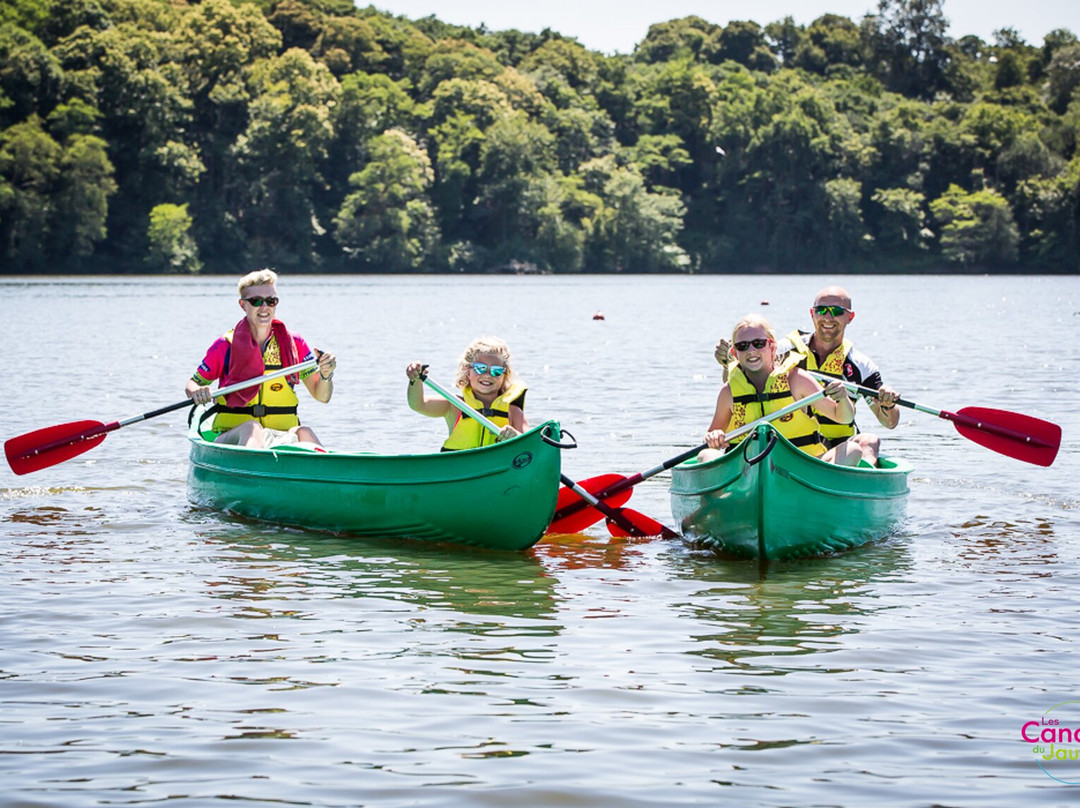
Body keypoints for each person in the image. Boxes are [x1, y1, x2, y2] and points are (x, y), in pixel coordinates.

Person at [715, 286, 900, 464]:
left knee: (870, 441)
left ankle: (861, 484)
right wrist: (727, 363)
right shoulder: (780, 349)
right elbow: (739, 386)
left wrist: (888, 404)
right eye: (821, 310)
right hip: (790, 445)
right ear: (812, 314)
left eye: (836, 311)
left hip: (836, 446)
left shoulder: (862, 366)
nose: (828, 317)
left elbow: (889, 422)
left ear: (850, 317)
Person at [185, 269, 337, 448]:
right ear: (243, 305)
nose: (264, 307)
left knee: (305, 431)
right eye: (256, 301)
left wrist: (326, 375)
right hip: (232, 437)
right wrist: (197, 391)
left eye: (271, 301)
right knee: (252, 428)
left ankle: (325, 471)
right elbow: (192, 383)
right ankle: (254, 467)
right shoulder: (224, 345)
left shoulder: (295, 343)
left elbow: (322, 396)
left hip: (280, 435)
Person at [701, 314, 873, 466]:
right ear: (735, 353)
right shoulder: (729, 392)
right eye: (743, 346)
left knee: (853, 449)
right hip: (748, 468)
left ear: (773, 347)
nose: (751, 350)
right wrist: (714, 436)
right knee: (706, 455)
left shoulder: (797, 379)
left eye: (759, 343)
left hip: (803, 467)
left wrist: (842, 398)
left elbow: (844, 417)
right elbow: (712, 438)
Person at [405, 337, 527, 451]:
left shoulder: (514, 412)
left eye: (496, 371)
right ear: (467, 372)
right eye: (480, 368)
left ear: (504, 375)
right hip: (459, 468)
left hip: (498, 466)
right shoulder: (454, 405)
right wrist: (415, 380)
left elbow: (532, 444)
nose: (488, 375)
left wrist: (516, 437)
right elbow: (418, 404)